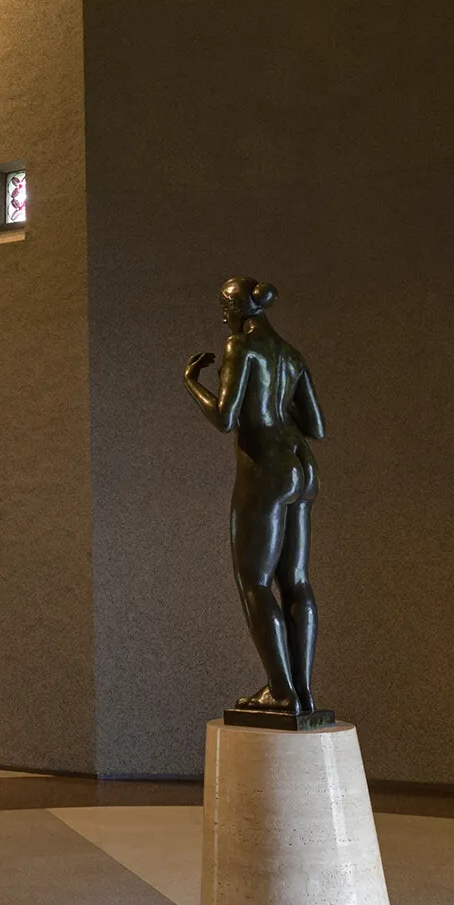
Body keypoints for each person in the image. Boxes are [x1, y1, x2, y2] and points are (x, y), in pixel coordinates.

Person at [183, 277, 324, 717]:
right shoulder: (292, 355)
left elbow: (225, 417)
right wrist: (279, 407)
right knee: (296, 581)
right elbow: (316, 426)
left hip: (264, 471)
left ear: (244, 308)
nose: (223, 312)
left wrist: (192, 383)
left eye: (226, 304)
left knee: (255, 583)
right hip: (302, 470)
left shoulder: (239, 347)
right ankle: (301, 693)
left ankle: (281, 693)